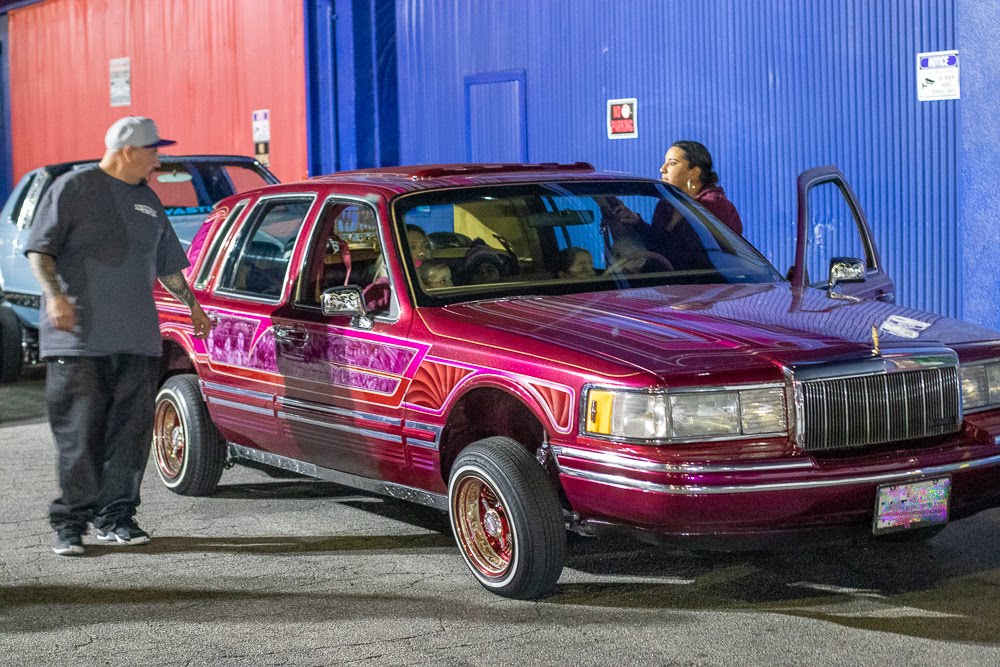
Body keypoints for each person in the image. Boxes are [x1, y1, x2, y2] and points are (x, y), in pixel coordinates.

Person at [25, 116, 214, 556]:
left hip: (138, 340)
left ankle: (117, 517)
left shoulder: (148, 201)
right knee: (81, 437)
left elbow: (168, 265)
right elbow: (40, 250)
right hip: (80, 342)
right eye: (153, 150)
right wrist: (55, 298)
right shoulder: (73, 189)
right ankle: (70, 524)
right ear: (129, 150)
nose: (158, 158)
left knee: (129, 437)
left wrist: (193, 307)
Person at [659, 140, 743, 235]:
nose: (662, 169)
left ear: (695, 172)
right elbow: (658, 241)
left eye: (672, 163)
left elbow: (719, 246)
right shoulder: (666, 202)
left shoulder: (714, 205)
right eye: (664, 162)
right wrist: (639, 222)